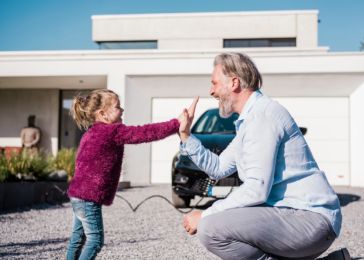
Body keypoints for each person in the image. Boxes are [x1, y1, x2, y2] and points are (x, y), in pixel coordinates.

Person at [179, 53, 349, 259]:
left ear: (234, 83)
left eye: (214, 83)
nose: (211, 91)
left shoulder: (262, 116)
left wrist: (204, 214)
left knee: (210, 228)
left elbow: (256, 190)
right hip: (296, 216)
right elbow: (219, 167)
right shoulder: (251, 119)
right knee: (214, 223)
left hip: (309, 218)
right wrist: (186, 136)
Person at [66, 89, 196, 260]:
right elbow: (144, 133)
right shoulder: (111, 132)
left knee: (78, 238)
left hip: (78, 196)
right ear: (103, 114)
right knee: (95, 240)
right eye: (117, 107)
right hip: (88, 198)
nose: (122, 110)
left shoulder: (91, 133)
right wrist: (175, 124)